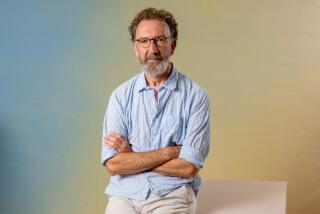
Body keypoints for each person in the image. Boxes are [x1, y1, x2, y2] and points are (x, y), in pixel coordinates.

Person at [101, 7, 211, 214]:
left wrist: (132, 156)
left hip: (171, 194)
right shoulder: (120, 96)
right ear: (135, 47)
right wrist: (168, 153)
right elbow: (114, 165)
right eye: (144, 41)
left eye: (160, 40)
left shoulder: (196, 96)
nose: (152, 49)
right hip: (124, 195)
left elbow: (188, 167)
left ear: (173, 45)